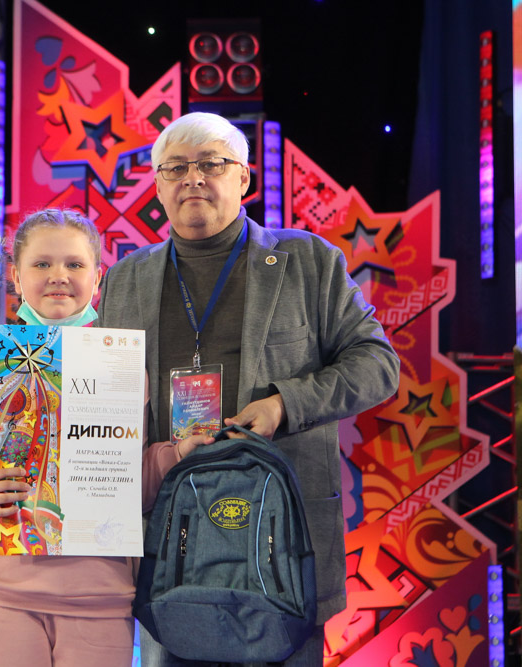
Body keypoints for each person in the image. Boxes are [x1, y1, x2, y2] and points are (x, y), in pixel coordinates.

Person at [97, 112, 400, 666]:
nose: (193, 178)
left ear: (244, 178)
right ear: (158, 186)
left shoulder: (308, 261)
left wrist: (284, 404)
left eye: (212, 164)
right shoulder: (126, 278)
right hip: (171, 541)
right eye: (176, 168)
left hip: (280, 538)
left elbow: (377, 364)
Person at [0, 208, 211, 666]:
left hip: (102, 600)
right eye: (42, 264)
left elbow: (130, 485)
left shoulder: (125, 367)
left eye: (74, 264)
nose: (58, 276)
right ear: (15, 275)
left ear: (97, 276)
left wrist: (177, 454)